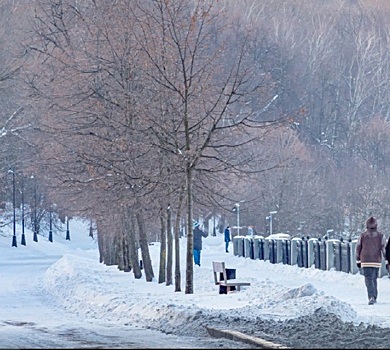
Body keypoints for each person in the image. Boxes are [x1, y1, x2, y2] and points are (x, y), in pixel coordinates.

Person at [355, 216, 386, 305]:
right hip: (376, 260)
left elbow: (358, 248)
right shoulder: (381, 236)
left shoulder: (363, 235)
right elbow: (384, 249)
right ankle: (374, 296)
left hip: (365, 260)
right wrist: (387, 260)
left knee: (368, 279)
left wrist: (358, 260)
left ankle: (371, 296)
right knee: (374, 278)